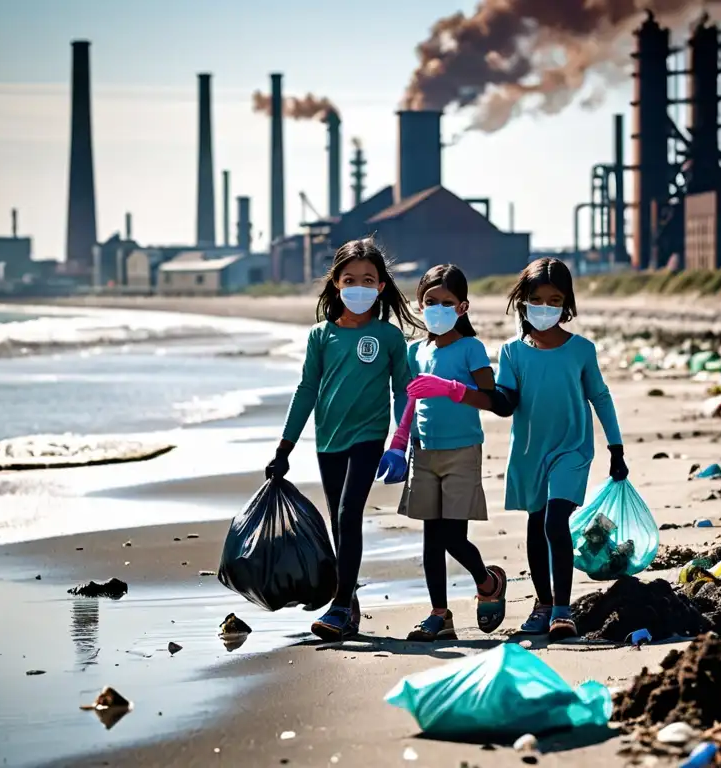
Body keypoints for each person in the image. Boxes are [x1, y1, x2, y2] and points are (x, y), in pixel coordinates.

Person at [407, 257, 628, 642]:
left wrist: (616, 446)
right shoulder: (512, 352)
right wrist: (466, 395)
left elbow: (600, 397)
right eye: (537, 299)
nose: (545, 308)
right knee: (534, 525)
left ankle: (561, 610)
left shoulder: (581, 350)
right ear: (523, 301)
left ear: (567, 303)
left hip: (572, 450)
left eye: (554, 300)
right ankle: (542, 604)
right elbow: (504, 401)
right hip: (528, 452)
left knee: (555, 523)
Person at [266, 237, 423, 642]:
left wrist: (399, 444)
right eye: (350, 278)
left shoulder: (389, 338)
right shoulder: (321, 336)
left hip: (368, 437)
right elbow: (306, 390)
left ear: (381, 287)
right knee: (339, 520)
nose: (359, 286)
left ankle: (338, 606)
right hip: (328, 439)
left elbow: (404, 390)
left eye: (368, 280)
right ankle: (349, 601)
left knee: (350, 513)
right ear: (336, 283)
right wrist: (284, 448)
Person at [378, 265, 507, 642]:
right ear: (419, 305)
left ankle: (488, 582)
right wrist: (398, 445)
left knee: (453, 537)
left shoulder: (472, 348)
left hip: (462, 452)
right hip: (423, 453)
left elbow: (495, 401)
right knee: (430, 540)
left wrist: (453, 389)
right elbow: (410, 402)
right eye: (430, 302)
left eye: (446, 303)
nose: (437, 308)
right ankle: (439, 614)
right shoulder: (416, 350)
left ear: (462, 307)